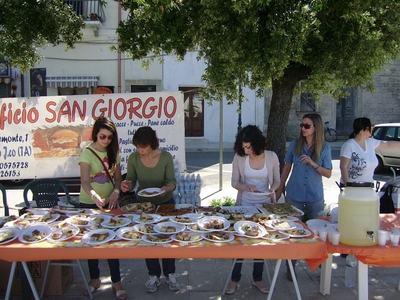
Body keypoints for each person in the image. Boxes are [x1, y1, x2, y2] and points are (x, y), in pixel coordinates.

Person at [120, 126, 179, 293]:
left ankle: (170, 274)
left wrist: (166, 189)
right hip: (143, 204)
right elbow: (131, 178)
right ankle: (153, 275)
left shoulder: (166, 157)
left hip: (165, 203)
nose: (140, 150)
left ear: (152, 144)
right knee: (148, 239)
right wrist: (126, 184)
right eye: (137, 147)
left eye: (143, 147)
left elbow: (172, 182)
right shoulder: (134, 158)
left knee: (167, 238)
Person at [275, 113, 332, 281]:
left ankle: (319, 263)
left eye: (307, 126)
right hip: (295, 192)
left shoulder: (325, 147)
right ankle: (290, 267)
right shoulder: (295, 144)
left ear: (316, 128)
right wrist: (280, 188)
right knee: (292, 231)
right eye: (302, 125)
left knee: (319, 231)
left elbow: (328, 173)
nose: (303, 129)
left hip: (315, 194)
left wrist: (314, 164)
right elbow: (287, 167)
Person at [225, 125, 280, 295]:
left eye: (248, 147)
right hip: (245, 204)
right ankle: (234, 279)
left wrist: (273, 191)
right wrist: (246, 187)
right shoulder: (240, 158)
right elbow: (234, 182)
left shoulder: (271, 157)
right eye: (243, 148)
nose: (246, 151)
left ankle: (258, 278)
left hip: (264, 205)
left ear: (256, 143)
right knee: (240, 241)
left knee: (260, 242)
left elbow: (277, 180)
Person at [79, 116, 127, 300]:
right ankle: (94, 279)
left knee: (112, 243)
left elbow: (117, 180)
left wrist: (116, 192)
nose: (106, 140)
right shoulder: (87, 153)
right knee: (93, 243)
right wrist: (94, 195)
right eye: (103, 137)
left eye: (109, 137)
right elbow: (84, 181)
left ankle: (117, 282)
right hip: (90, 203)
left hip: (110, 204)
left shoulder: (114, 152)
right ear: (96, 135)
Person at [340, 117, 400, 185]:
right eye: (370, 127)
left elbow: (388, 144)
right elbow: (343, 167)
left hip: (368, 186)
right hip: (352, 187)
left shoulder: (371, 142)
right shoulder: (349, 145)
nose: (372, 128)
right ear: (363, 130)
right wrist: (348, 186)